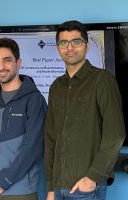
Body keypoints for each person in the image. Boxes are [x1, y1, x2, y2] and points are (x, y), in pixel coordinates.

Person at [44, 20, 126, 200]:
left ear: (86, 46)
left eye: (76, 41)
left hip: (86, 188)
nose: (69, 47)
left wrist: (92, 178)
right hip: (58, 188)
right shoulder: (56, 86)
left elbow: (116, 134)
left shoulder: (102, 80)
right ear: (58, 48)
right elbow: (51, 139)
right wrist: (50, 187)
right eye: (63, 43)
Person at [0, 37, 47, 200]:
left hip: (20, 191)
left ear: (18, 63)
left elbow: (33, 146)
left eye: (7, 60)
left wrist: (4, 180)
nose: (1, 67)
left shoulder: (34, 100)